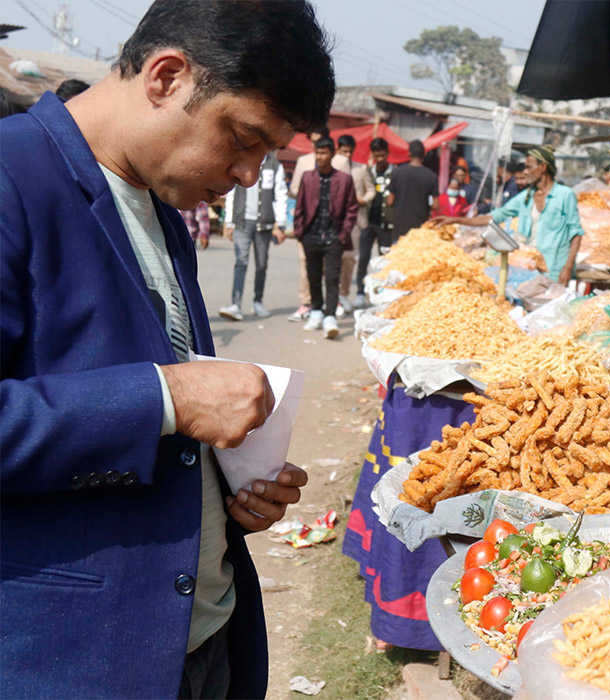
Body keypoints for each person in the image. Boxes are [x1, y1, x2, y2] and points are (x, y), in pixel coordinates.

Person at [1, 1, 332, 697]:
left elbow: (167, 431)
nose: (248, 174)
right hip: (77, 661)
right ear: (167, 77)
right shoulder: (12, 179)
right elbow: (160, 400)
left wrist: (229, 484)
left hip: (199, 642)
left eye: (266, 153)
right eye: (242, 138)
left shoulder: (160, 207)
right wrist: (165, 398)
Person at [434, 146, 585, 284]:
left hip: (556, 269)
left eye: (528, 167)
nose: (525, 172)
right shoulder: (527, 196)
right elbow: (493, 217)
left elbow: (576, 233)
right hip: (531, 268)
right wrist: (457, 220)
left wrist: (568, 267)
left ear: (543, 167)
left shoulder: (565, 195)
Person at [293, 137, 357, 339]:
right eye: (317, 153)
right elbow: (300, 206)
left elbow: (352, 209)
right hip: (311, 235)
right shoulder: (308, 177)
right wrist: (299, 232)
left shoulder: (345, 180)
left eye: (324, 153)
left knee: (332, 278)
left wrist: (343, 234)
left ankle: (330, 316)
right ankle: (316, 311)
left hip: (334, 237)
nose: (320, 157)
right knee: (313, 277)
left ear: (332, 154)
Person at [220, 150, 288, 320]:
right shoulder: (242, 160)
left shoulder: (274, 165)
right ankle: (236, 304)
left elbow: (280, 194)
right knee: (241, 262)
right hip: (242, 221)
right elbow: (231, 192)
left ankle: (258, 301)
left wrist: (280, 224)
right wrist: (228, 222)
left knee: (261, 264)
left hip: (264, 224)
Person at [352, 137, 394, 308]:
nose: (380, 160)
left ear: (387, 154)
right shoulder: (367, 171)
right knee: (363, 258)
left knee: (385, 260)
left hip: (386, 224)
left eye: (382, 156)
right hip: (368, 222)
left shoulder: (395, 173)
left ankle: (382, 292)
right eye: (377, 156)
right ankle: (360, 292)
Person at [335, 133, 374, 316]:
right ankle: (332, 296)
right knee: (333, 259)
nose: (347, 155)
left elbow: (371, 190)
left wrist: (363, 200)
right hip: (335, 221)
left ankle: (343, 294)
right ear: (338, 150)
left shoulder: (361, 169)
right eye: (344, 152)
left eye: (350, 152)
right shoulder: (332, 167)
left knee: (349, 258)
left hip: (356, 221)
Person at [387, 139, 439, 244]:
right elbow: (436, 205)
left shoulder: (397, 173)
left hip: (399, 226)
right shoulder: (432, 176)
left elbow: (390, 201)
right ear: (424, 155)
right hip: (420, 228)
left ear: (409, 153)